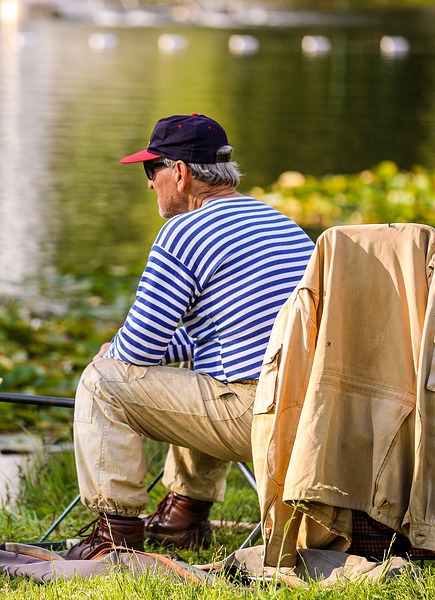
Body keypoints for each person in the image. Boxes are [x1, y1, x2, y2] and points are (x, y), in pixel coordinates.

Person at [65, 113, 315, 559]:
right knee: (202, 371)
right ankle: (185, 517)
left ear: (179, 172)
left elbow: (138, 350)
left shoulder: (184, 232)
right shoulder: (277, 221)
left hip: (261, 419)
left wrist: (112, 354)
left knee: (101, 382)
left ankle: (115, 540)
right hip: (312, 410)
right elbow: (231, 335)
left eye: (151, 170)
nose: (149, 184)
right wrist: (148, 352)